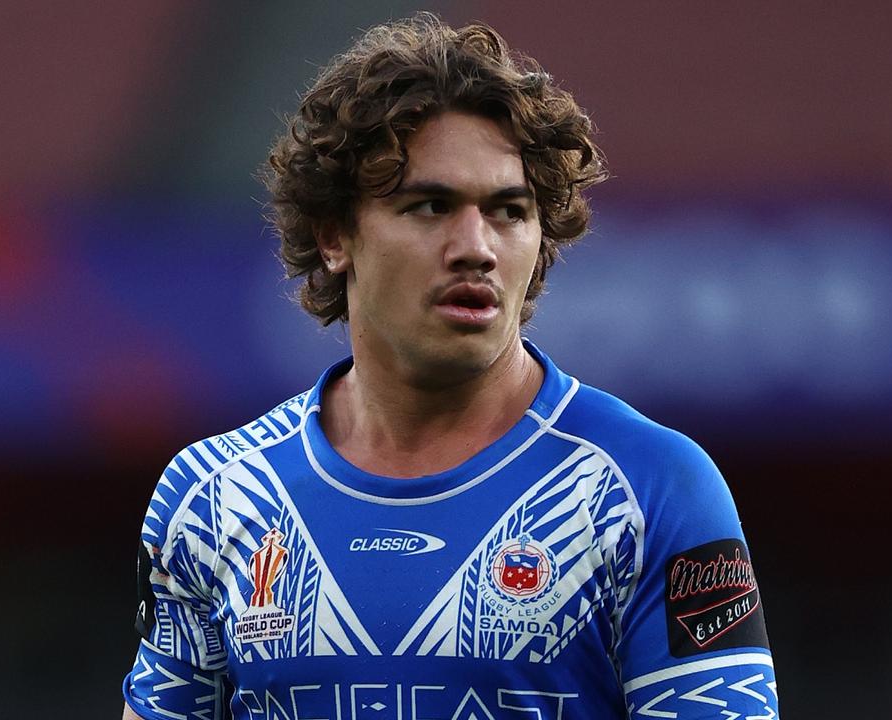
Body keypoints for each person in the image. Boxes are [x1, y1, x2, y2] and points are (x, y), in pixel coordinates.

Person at [121, 13, 778, 720]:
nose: (476, 247)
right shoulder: (213, 497)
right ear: (335, 234)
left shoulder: (652, 489)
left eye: (508, 211)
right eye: (430, 205)